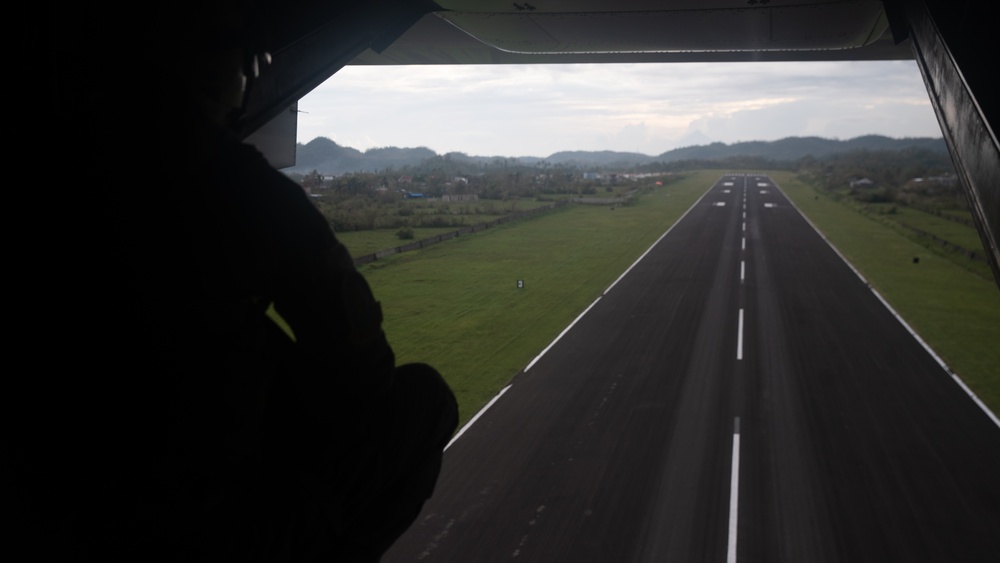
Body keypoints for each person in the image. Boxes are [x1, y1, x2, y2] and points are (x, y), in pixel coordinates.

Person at [18, 2, 458, 561]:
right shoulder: (243, 189)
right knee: (428, 400)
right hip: (207, 518)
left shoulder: (66, 166)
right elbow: (364, 371)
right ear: (228, 71)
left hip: (70, 509)